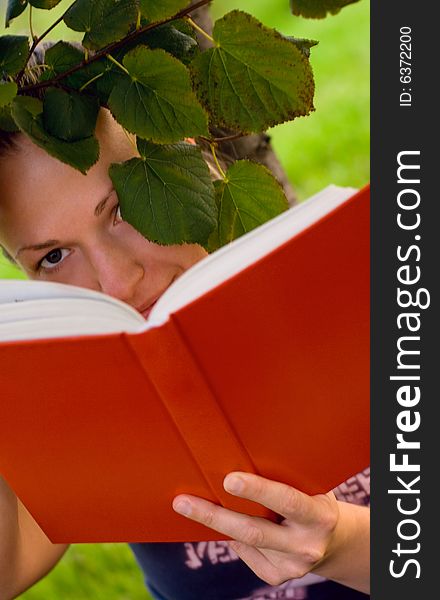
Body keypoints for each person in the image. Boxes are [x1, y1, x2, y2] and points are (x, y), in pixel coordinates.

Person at [0, 107, 370, 600]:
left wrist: (343, 543)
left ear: (190, 164)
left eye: (124, 208)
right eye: (52, 256)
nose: (116, 282)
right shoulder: (80, 402)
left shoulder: (362, 293)